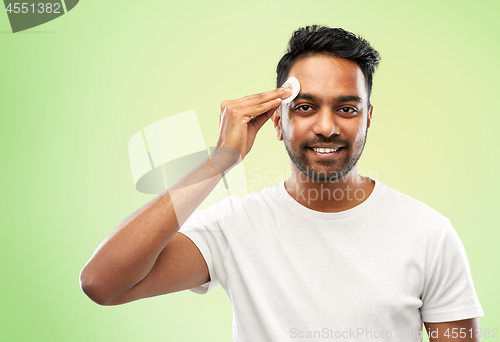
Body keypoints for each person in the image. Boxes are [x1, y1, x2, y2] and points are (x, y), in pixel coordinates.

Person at [80, 25, 484, 341]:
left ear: (367, 118)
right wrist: (221, 159)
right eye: (305, 107)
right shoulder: (234, 228)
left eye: (347, 108)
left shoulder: (428, 233)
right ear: (278, 120)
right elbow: (102, 284)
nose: (327, 127)